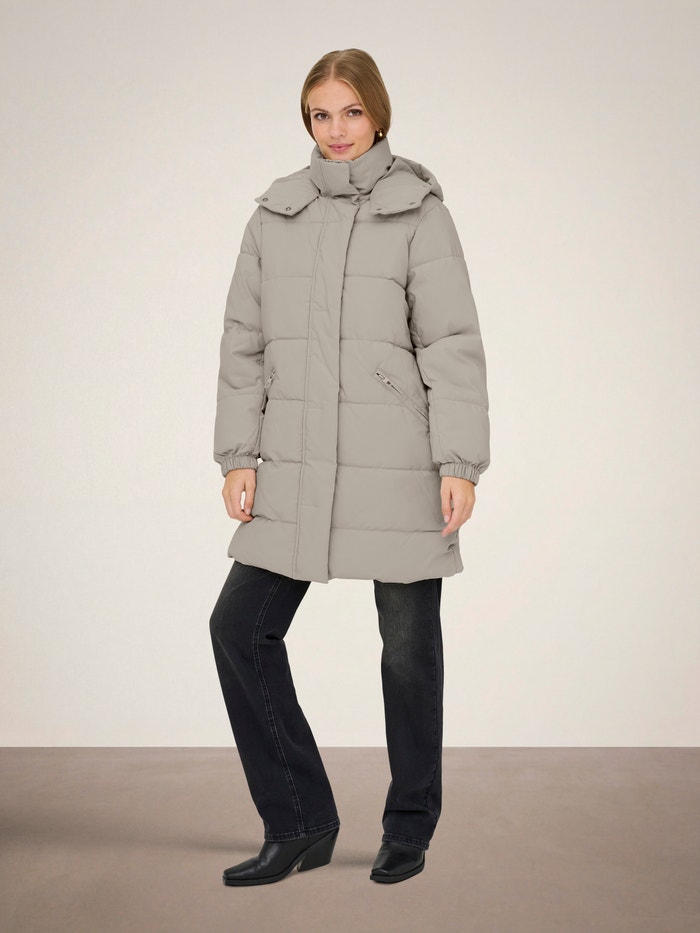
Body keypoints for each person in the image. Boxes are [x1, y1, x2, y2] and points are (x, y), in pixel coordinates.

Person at [209, 48, 490, 886]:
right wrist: (239, 453)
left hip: (396, 464)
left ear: (378, 112)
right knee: (238, 627)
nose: (336, 130)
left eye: (351, 111)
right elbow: (243, 344)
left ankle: (410, 825)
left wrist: (459, 461)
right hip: (297, 462)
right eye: (320, 114)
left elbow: (452, 344)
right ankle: (299, 821)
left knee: (408, 653)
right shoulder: (275, 215)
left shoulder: (419, 212)